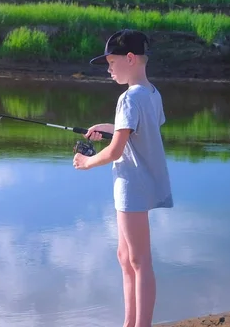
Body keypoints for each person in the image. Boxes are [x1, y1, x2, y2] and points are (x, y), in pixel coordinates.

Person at [73, 29, 173, 327]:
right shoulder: (152, 93)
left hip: (132, 186)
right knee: (125, 255)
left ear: (130, 58)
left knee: (140, 261)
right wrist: (107, 126)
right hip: (141, 183)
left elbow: (116, 151)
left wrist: (88, 162)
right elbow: (139, 130)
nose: (109, 68)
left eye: (111, 62)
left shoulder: (128, 98)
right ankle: (130, 322)